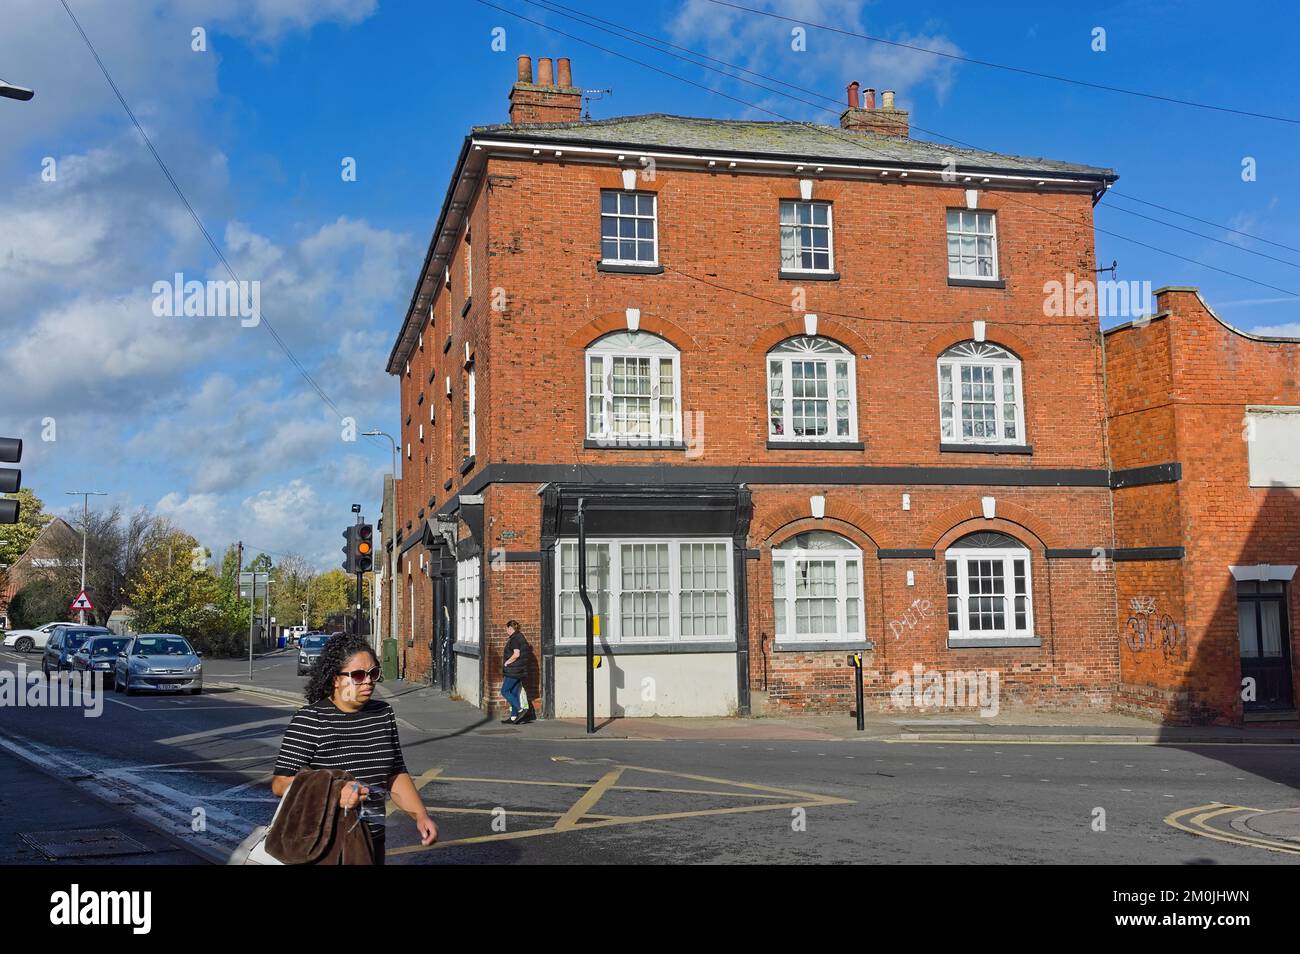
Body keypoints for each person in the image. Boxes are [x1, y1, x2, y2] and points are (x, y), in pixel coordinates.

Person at [271, 633, 437, 863]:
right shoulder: (310, 719)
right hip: (327, 845)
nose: (368, 681)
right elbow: (280, 784)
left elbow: (395, 772)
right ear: (335, 679)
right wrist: (334, 792)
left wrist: (420, 815)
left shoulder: (383, 714)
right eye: (358, 675)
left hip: (372, 841)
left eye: (373, 673)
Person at [500, 619, 533, 724]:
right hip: (520, 670)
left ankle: (520, 710)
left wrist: (507, 662)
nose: (506, 631)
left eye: (507, 629)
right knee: (513, 692)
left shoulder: (515, 639)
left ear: (510, 628)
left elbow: (516, 654)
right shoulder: (521, 637)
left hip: (514, 670)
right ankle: (514, 717)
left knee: (504, 691)